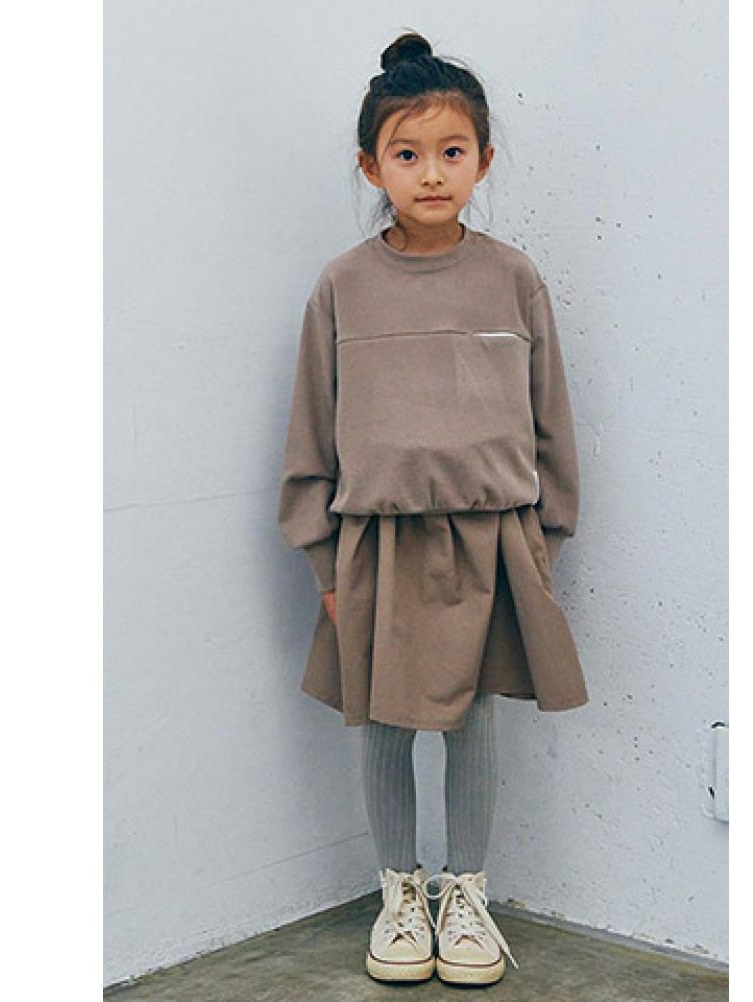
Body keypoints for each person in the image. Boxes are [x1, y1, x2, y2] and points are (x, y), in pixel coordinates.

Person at [277, 30, 588, 987]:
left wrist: (544, 541)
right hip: (376, 542)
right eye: (406, 154)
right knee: (381, 720)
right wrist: (324, 563)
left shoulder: (513, 277)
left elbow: (551, 421)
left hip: (492, 540)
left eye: (452, 151)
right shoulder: (343, 285)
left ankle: (467, 894)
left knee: (472, 719)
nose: (431, 172)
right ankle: (399, 895)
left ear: (483, 161)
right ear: (371, 167)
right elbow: (312, 431)